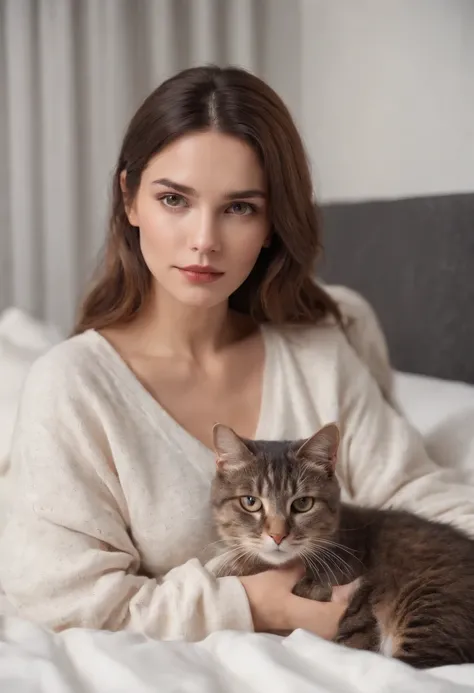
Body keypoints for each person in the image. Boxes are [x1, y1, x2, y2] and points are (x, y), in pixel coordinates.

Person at [1, 65, 473, 642]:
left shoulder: (318, 356)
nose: (204, 239)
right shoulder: (72, 386)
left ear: (272, 222)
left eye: (239, 207)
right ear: (129, 199)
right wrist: (250, 606)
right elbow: (61, 604)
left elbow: (417, 496)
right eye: (174, 199)